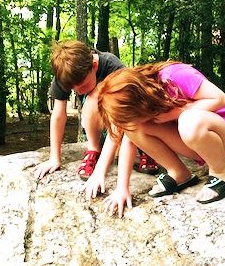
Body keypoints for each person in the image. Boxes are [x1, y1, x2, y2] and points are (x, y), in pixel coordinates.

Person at [91, 61, 225, 216]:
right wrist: (122, 188)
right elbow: (129, 139)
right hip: (196, 142)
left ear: (138, 100)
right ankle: (178, 173)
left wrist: (175, 113)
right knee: (136, 129)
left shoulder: (174, 75)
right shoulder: (145, 104)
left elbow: (220, 99)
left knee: (189, 121)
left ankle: (221, 170)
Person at [33, 40, 158, 183]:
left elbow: (124, 116)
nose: (79, 92)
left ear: (94, 66)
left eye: (83, 85)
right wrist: (54, 157)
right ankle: (93, 148)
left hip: (130, 115)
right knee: (91, 98)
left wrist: (101, 170)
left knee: (95, 95)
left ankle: (146, 148)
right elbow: (58, 115)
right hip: (102, 123)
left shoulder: (113, 67)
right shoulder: (66, 72)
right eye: (74, 89)